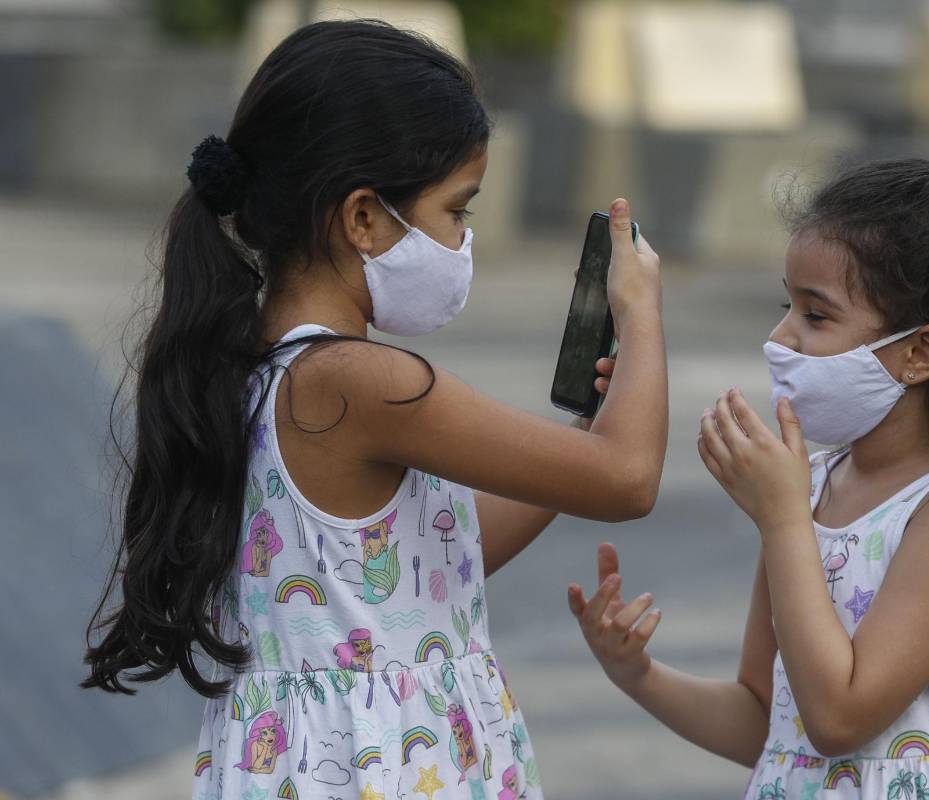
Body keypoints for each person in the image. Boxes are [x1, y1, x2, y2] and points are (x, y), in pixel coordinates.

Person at [80, 19, 667, 799]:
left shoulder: (256, 361)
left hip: (306, 760)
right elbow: (627, 481)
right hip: (381, 765)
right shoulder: (361, 380)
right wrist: (640, 313)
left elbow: (425, 567)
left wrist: (579, 435)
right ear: (361, 217)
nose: (462, 241)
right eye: (456, 212)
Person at [569, 159, 929, 798]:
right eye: (786, 305)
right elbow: (767, 720)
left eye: (816, 316)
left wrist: (783, 519)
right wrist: (639, 675)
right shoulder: (812, 487)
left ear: (920, 352)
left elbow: (839, 717)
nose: (780, 337)